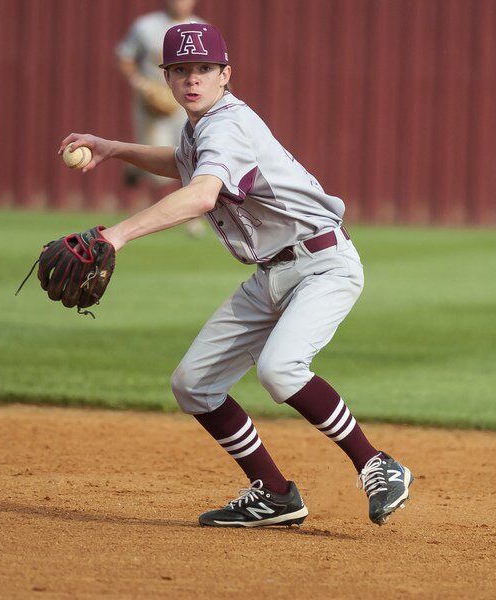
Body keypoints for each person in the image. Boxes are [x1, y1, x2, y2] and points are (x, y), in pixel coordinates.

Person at [59, 23, 413, 528]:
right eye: (180, 70)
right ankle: (273, 494)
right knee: (194, 383)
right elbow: (183, 165)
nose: (192, 79)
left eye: (203, 68)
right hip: (272, 273)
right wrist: (113, 147)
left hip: (322, 264)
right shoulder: (202, 127)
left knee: (280, 370)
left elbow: (203, 194)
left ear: (226, 74)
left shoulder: (226, 124)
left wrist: (115, 235)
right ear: (168, 78)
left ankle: (378, 464)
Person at [116, 0, 207, 237]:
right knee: (160, 171)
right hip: (152, 104)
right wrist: (140, 84)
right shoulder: (146, 26)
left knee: (194, 158)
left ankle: (192, 218)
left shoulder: (200, 28)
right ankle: (139, 168)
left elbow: (214, 67)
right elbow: (125, 57)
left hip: (186, 104)